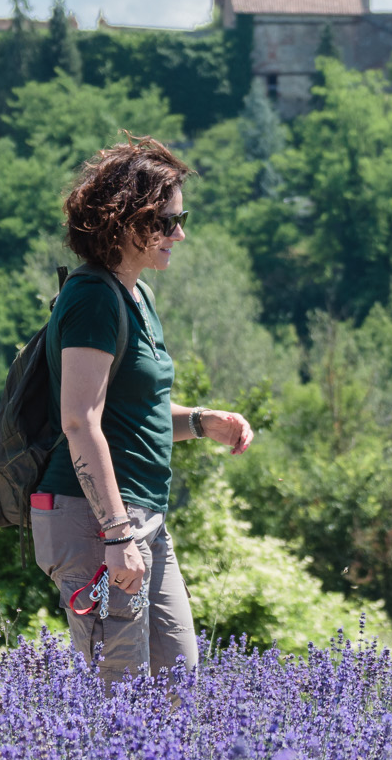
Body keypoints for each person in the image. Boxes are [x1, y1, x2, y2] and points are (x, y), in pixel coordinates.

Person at [33, 136, 254, 688]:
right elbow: (80, 420)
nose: (181, 233)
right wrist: (115, 535)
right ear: (128, 221)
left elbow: (133, 415)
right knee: (120, 690)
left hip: (141, 517)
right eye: (170, 220)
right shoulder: (92, 298)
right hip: (96, 521)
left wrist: (202, 422)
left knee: (177, 680)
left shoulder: (136, 295)